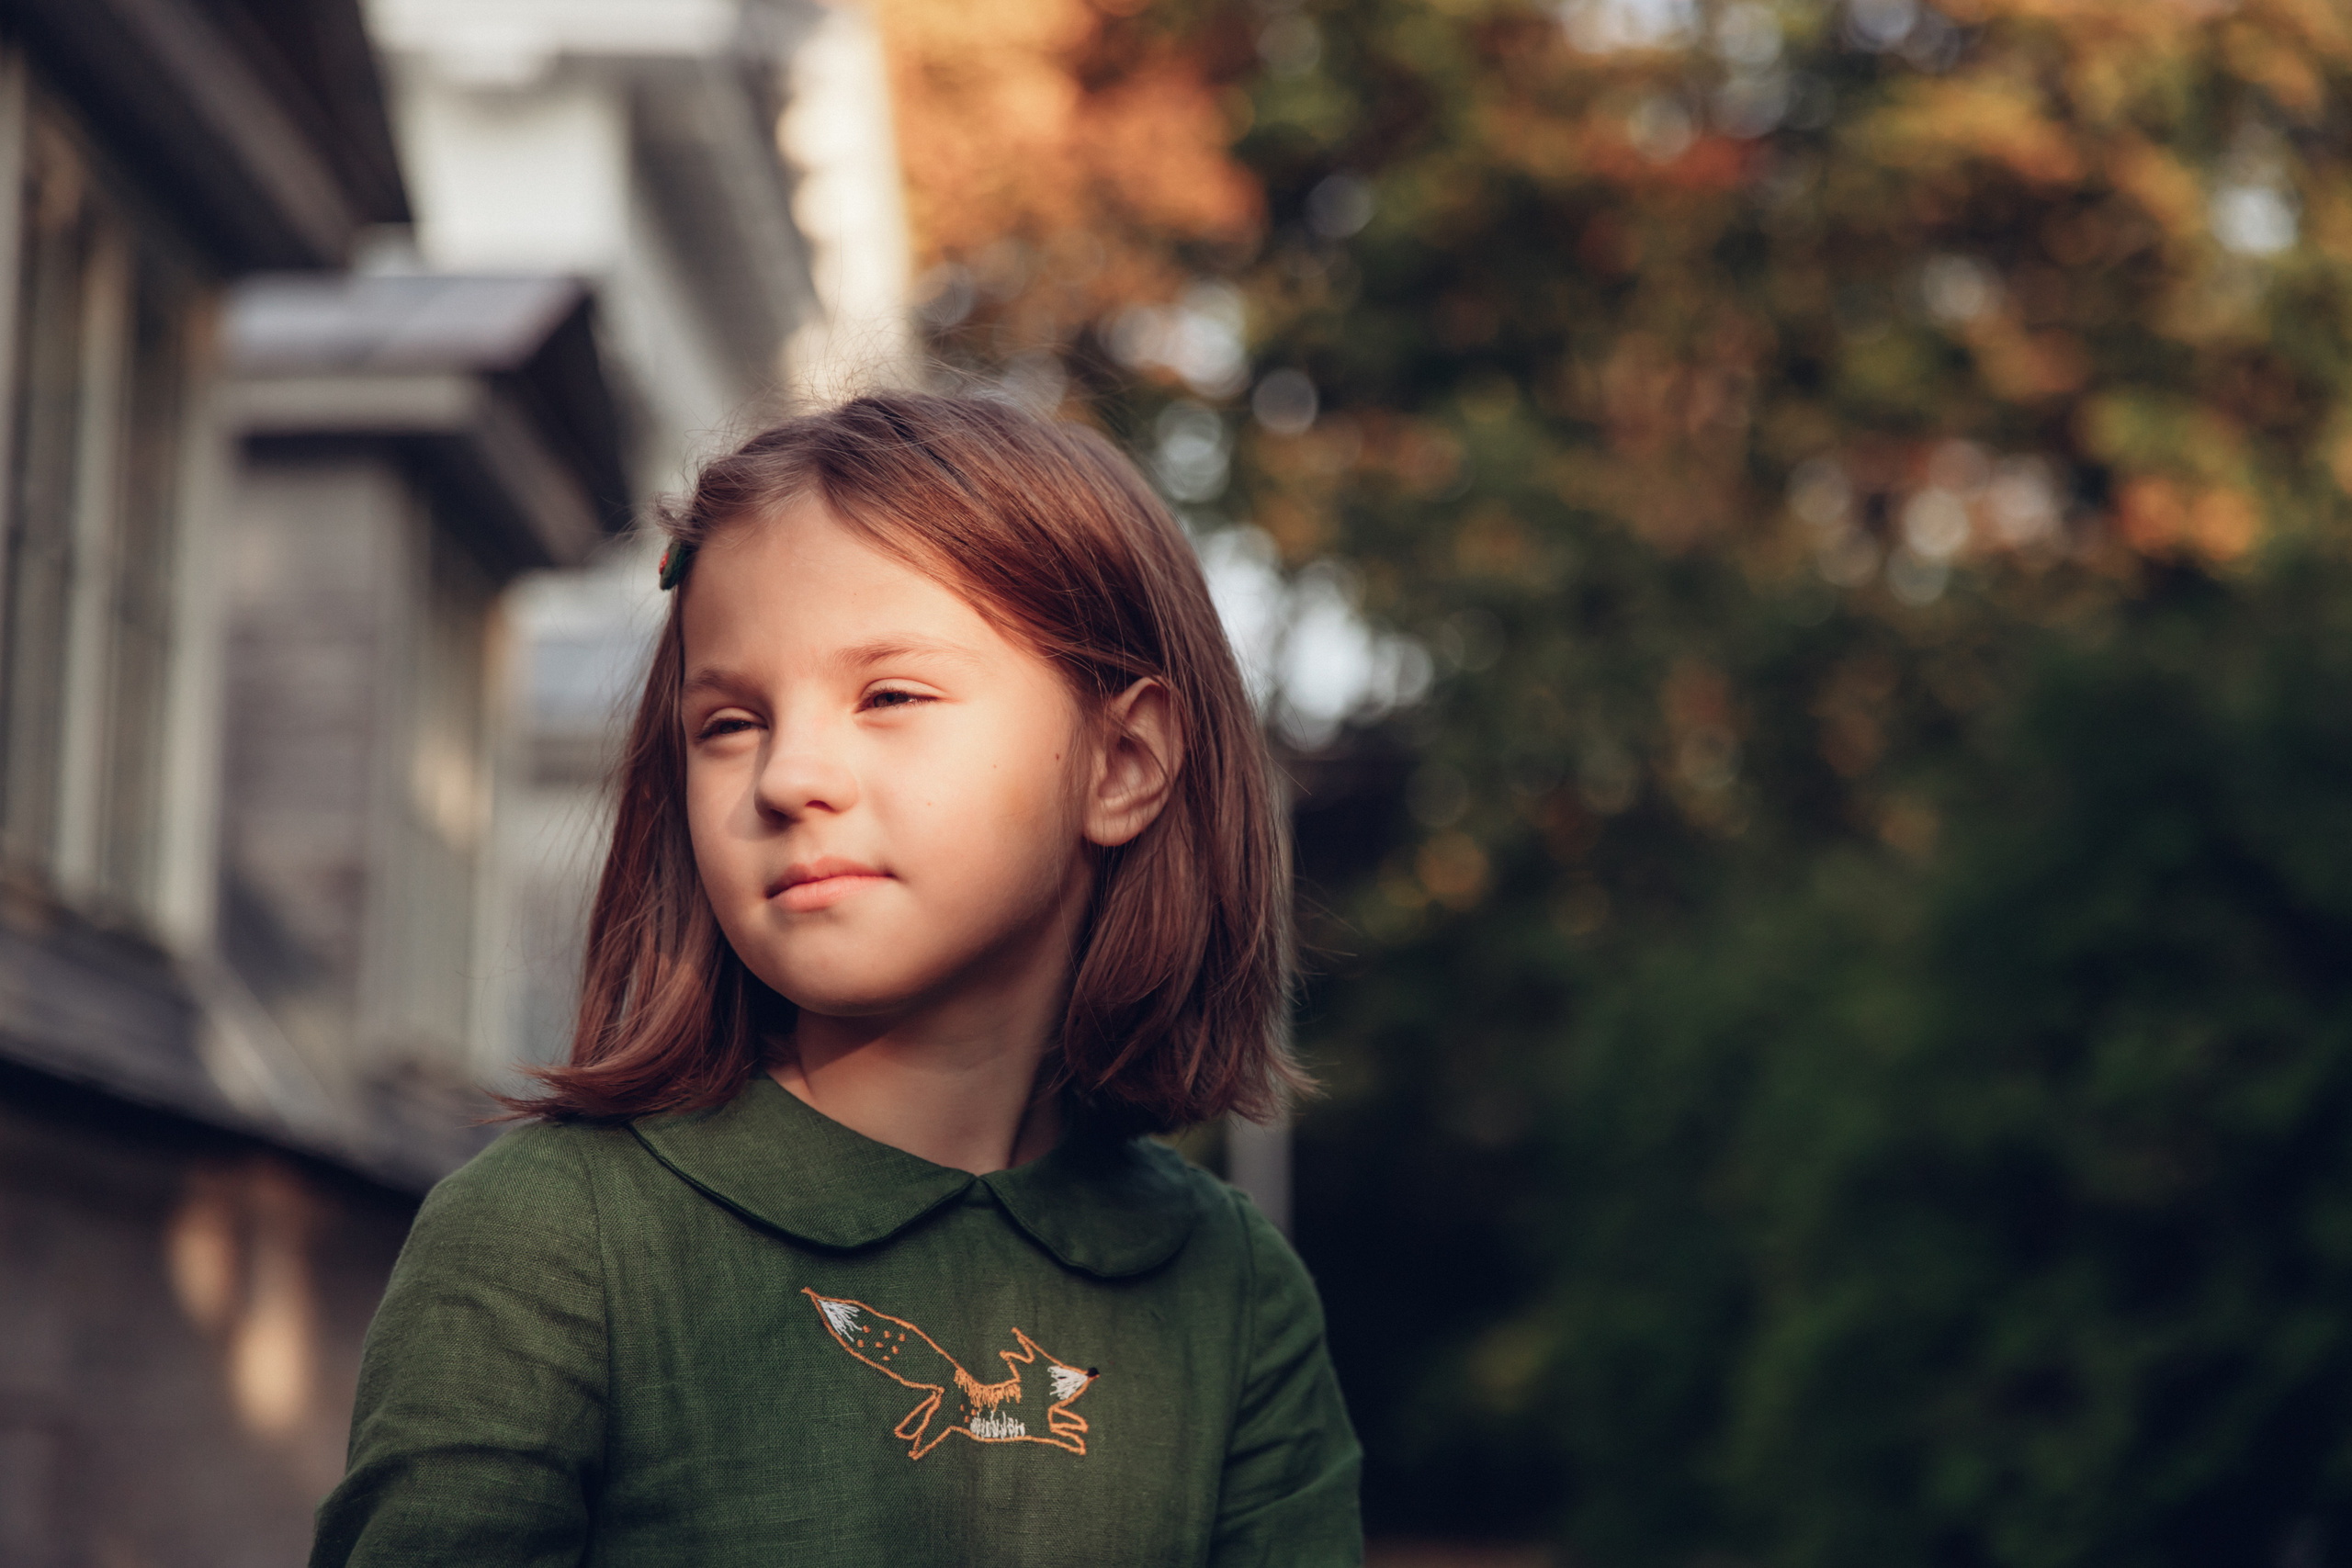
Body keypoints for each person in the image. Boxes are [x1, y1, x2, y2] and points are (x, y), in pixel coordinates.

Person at [309, 393, 1363, 1566]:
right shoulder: (550, 1238)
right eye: (727, 722)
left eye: (891, 695)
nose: (788, 776)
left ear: (1122, 765)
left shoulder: (1234, 1291)